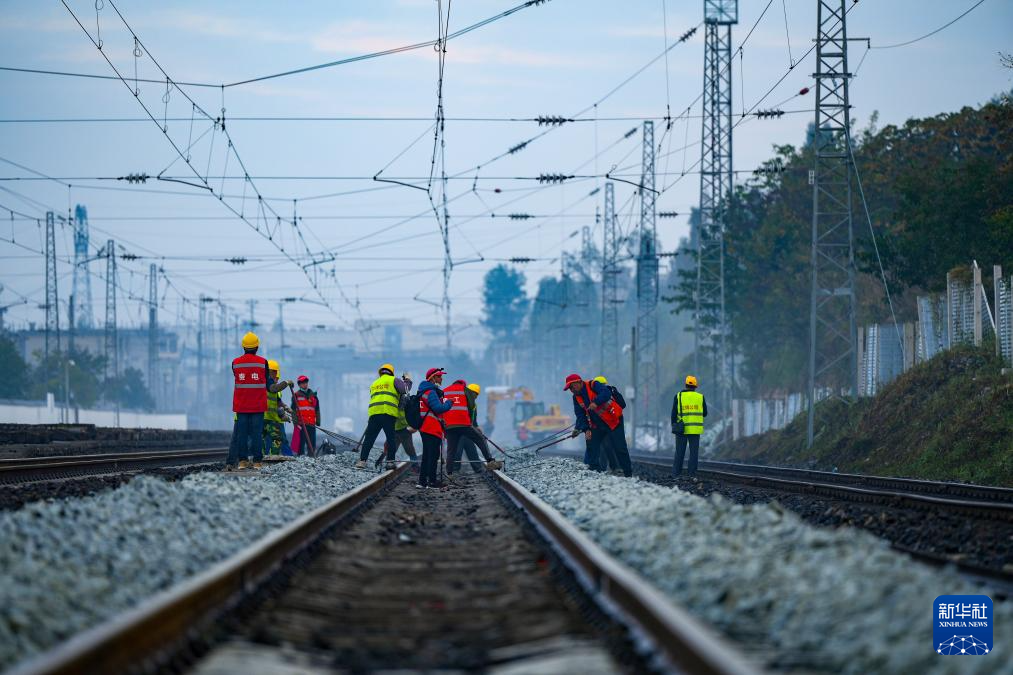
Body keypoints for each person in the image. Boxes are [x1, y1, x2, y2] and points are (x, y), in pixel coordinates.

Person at [228, 333, 290, 471]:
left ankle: (242, 462)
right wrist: (285, 383)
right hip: (257, 405)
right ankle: (257, 462)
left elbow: (238, 378)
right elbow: (271, 387)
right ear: (257, 347)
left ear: (243, 347)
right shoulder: (263, 363)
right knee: (257, 434)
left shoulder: (235, 363)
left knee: (242, 434)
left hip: (241, 405)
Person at [564, 373, 633, 477]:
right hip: (598, 425)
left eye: (571, 387)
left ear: (578, 382)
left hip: (614, 421)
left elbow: (606, 393)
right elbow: (580, 414)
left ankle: (628, 474)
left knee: (620, 448)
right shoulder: (576, 398)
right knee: (591, 445)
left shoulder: (593, 384)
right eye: (569, 388)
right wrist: (586, 429)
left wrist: (595, 402)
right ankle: (595, 473)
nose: (571, 390)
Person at [355, 363, 407, 469]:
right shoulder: (394, 380)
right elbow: (405, 390)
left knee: (369, 438)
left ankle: (362, 461)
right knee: (390, 438)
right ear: (391, 372)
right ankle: (390, 462)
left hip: (374, 413)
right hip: (388, 413)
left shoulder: (374, 383)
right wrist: (407, 381)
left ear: (381, 372)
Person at [446, 382, 502, 475]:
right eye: (475, 394)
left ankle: (470, 470)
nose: (475, 397)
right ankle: (456, 469)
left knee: (466, 449)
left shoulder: (467, 401)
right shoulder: (466, 400)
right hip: (464, 427)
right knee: (459, 449)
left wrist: (476, 427)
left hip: (459, 428)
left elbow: (473, 418)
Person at [416, 367, 452, 489]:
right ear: (432, 378)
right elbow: (438, 409)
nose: (441, 379)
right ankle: (431, 482)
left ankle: (422, 482)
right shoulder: (430, 392)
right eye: (439, 376)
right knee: (433, 455)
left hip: (425, 427)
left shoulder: (423, 391)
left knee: (426, 455)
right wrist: (449, 403)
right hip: (431, 427)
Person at [672, 374, 707, 476]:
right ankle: (692, 473)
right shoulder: (700, 397)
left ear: (685, 385)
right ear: (696, 386)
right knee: (693, 453)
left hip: (681, 429)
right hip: (695, 430)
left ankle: (676, 473)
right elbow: (705, 413)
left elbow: (673, 413)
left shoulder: (679, 396)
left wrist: (674, 425)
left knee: (679, 452)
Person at [383, 372, 419, 470]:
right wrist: (408, 380)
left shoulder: (400, 397)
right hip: (398, 428)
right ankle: (388, 464)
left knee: (408, 449)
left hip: (403, 428)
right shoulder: (400, 396)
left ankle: (415, 466)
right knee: (396, 449)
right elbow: (407, 389)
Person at [593, 376, 621, 473]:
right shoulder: (609, 393)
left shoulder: (604, 396)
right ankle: (611, 467)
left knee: (606, 446)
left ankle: (610, 467)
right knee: (607, 446)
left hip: (607, 425)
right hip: (608, 425)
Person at [291, 375, 321, 456]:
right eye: (302, 383)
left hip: (311, 424)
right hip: (301, 424)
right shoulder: (296, 396)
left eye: (305, 382)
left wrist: (318, 421)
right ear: (299, 384)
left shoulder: (314, 396)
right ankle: (300, 460)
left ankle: (311, 459)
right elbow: (293, 410)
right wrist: (295, 423)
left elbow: (317, 409)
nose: (304, 384)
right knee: (300, 444)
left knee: (312, 444)